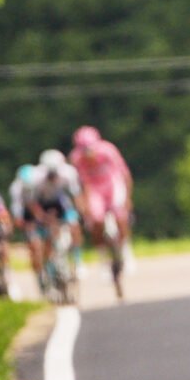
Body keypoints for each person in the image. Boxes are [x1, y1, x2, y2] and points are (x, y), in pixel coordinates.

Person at [68, 125, 134, 296]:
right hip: (94, 189)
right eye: (84, 150)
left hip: (112, 184)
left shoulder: (108, 151)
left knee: (120, 217)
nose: (88, 154)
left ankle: (125, 250)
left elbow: (124, 175)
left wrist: (127, 198)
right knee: (96, 220)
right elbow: (78, 187)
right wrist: (83, 207)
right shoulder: (76, 159)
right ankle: (104, 259)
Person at [37, 148, 85, 272]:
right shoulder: (37, 178)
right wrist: (41, 216)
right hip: (43, 204)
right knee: (48, 235)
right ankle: (48, 267)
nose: (53, 177)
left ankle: (77, 259)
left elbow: (76, 194)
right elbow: (31, 202)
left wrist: (80, 212)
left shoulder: (69, 173)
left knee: (74, 226)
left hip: (61, 202)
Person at [9, 163, 47, 296]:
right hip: (28, 215)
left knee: (50, 236)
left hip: (42, 207)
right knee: (34, 246)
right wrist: (20, 219)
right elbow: (17, 208)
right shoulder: (16, 188)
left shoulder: (41, 180)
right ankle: (39, 274)